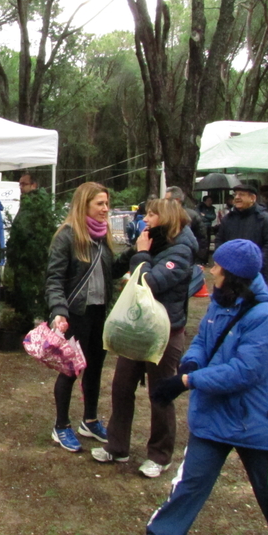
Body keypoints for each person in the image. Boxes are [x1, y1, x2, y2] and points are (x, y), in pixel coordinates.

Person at [146, 239, 268, 535]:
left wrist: (187, 381)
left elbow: (244, 372)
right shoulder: (221, 299)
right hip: (213, 418)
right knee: (188, 487)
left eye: (218, 266)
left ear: (232, 276)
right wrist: (191, 364)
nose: (212, 269)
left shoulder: (267, 317)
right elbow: (204, 340)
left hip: (256, 423)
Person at [91, 198, 197, 477]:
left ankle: (160, 455)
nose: (146, 218)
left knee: (160, 393)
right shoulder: (149, 241)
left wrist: (141, 254)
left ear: (168, 218)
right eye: (147, 213)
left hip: (164, 331)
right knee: (122, 386)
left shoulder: (181, 250)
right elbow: (116, 268)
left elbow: (148, 282)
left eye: (152, 214)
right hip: (138, 328)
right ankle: (117, 446)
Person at [45, 182, 126, 452]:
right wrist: (58, 310)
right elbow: (54, 278)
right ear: (85, 205)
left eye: (106, 203)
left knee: (94, 368)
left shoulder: (103, 236)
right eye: (100, 204)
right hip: (73, 314)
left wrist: (137, 253)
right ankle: (61, 426)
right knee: (70, 370)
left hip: (99, 312)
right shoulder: (67, 236)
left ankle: (89, 420)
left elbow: (109, 272)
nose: (105, 209)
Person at [6, 173, 57, 331]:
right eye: (20, 184)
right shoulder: (27, 203)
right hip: (23, 258)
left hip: (31, 259)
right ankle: (24, 323)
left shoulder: (36, 204)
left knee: (29, 295)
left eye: (24, 184)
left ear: (34, 185)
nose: (21, 188)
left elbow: (25, 230)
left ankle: (28, 325)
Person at [215, 182, 268, 294]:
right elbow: (220, 241)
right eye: (235, 195)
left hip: (258, 274)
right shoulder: (228, 219)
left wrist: (255, 264)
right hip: (231, 273)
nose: (237, 198)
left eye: (241, 194)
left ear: (252, 198)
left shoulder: (266, 220)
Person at [165, 186, 207, 264]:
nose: (165, 203)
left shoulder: (191, 216)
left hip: (189, 259)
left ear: (177, 200)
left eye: (167, 200)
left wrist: (199, 261)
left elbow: (202, 239)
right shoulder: (165, 216)